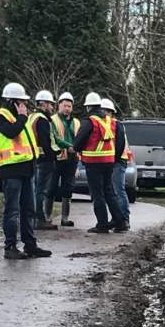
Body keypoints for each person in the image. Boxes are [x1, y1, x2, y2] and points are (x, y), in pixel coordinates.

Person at [0, 82, 53, 260]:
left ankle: (30, 245)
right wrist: (21, 118)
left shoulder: (22, 117)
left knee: (29, 209)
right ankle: (10, 246)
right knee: (12, 210)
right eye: (21, 102)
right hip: (11, 171)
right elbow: (11, 133)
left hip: (27, 169)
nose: (24, 105)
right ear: (12, 102)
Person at [73, 91, 127, 234]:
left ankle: (102, 224)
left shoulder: (90, 121)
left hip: (93, 163)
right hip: (109, 162)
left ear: (88, 107)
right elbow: (120, 143)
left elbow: (78, 141)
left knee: (97, 194)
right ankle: (120, 221)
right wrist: (113, 158)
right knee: (109, 192)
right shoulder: (111, 122)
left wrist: (76, 149)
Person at [28, 89, 59, 230]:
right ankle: (39, 219)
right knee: (40, 191)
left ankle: (33, 218)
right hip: (44, 159)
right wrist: (52, 156)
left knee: (35, 189)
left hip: (34, 157)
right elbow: (45, 141)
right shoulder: (42, 120)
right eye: (50, 104)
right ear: (43, 104)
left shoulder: (32, 117)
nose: (52, 108)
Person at [49, 91, 79, 227]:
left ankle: (65, 218)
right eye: (65, 105)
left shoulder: (76, 122)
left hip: (72, 159)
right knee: (51, 187)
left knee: (68, 188)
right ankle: (47, 216)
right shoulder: (53, 120)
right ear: (59, 105)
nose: (67, 108)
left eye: (69, 106)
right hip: (57, 158)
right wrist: (69, 146)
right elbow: (55, 137)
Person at [102, 97, 131, 232]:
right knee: (113, 192)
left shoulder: (115, 124)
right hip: (111, 161)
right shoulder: (106, 125)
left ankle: (124, 219)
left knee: (118, 190)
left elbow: (118, 145)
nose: (104, 114)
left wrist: (113, 159)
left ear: (111, 112)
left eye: (106, 111)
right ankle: (118, 218)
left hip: (117, 161)